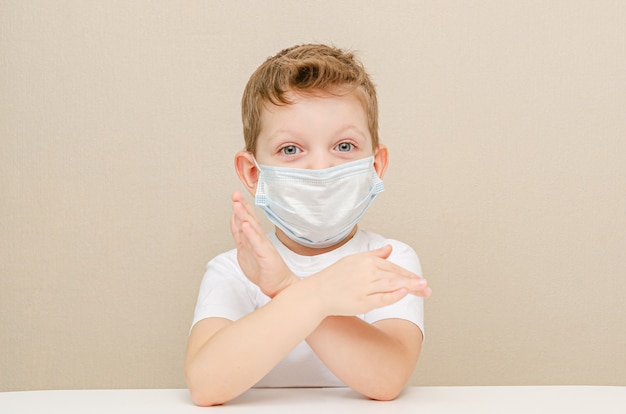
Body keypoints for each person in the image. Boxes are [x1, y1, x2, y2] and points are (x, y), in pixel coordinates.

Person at [184, 43, 432, 407]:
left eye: (344, 146)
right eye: (290, 149)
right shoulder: (235, 270)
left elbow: (387, 378)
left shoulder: (388, 261)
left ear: (375, 165)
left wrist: (287, 287)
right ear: (253, 173)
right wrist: (315, 296)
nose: (321, 168)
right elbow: (206, 385)